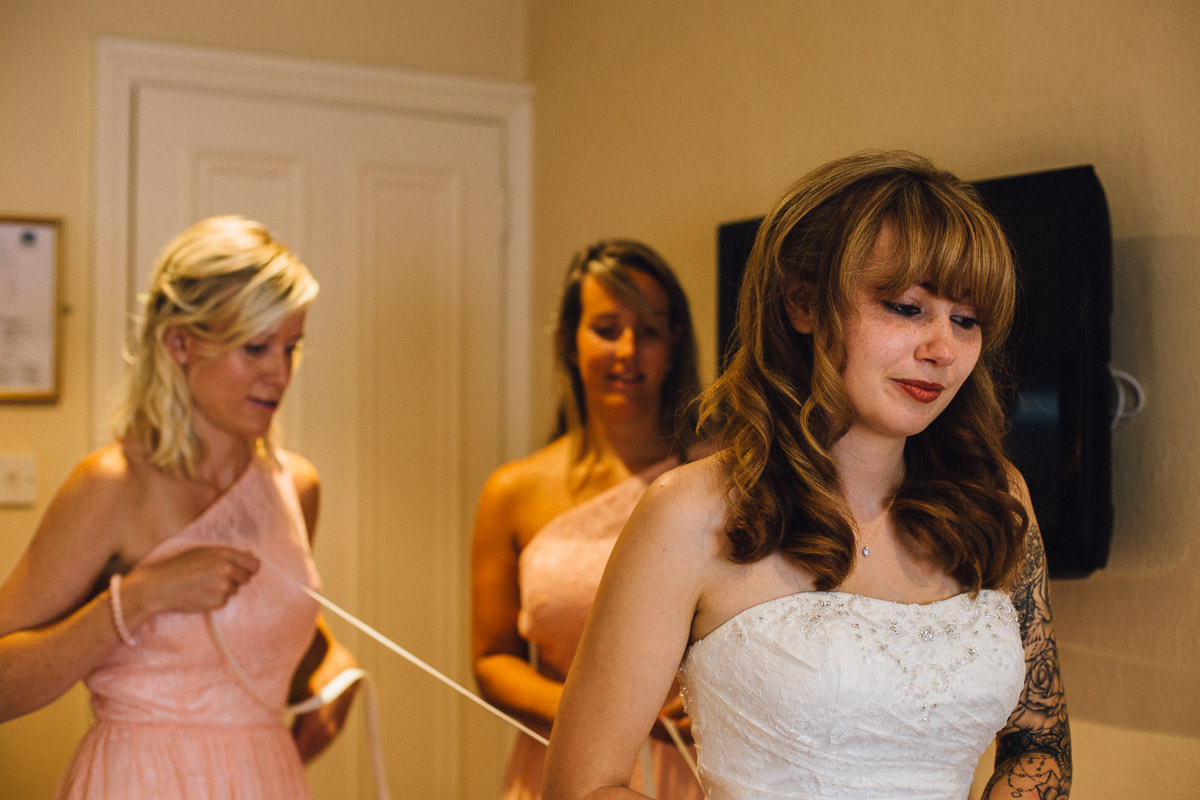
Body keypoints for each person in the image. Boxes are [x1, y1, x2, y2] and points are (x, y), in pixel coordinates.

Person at [544, 152, 1072, 800]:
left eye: (966, 320)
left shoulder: (998, 498)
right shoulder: (691, 512)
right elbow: (581, 785)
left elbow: (1038, 745)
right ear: (803, 302)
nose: (942, 350)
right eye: (908, 308)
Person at [0, 216, 358, 799]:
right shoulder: (112, 486)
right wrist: (142, 596)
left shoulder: (298, 487)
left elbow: (261, 630)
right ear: (179, 343)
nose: (280, 372)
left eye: (292, 347)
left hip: (265, 781)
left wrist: (328, 661)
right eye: (256, 346)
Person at [471, 240, 707, 800]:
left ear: (673, 344)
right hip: (559, 765)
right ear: (571, 344)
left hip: (692, 769)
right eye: (606, 328)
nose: (628, 350)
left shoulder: (721, 477)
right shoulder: (513, 492)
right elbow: (492, 660)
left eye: (649, 331)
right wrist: (613, 717)